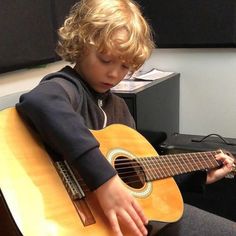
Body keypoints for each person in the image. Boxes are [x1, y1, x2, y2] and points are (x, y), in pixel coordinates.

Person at [16, 0, 236, 235]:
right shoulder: (68, 87)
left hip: (124, 220)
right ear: (80, 44)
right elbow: (40, 100)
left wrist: (199, 176)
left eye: (124, 66)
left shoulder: (120, 109)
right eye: (105, 59)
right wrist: (105, 181)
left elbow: (143, 177)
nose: (114, 73)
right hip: (75, 221)